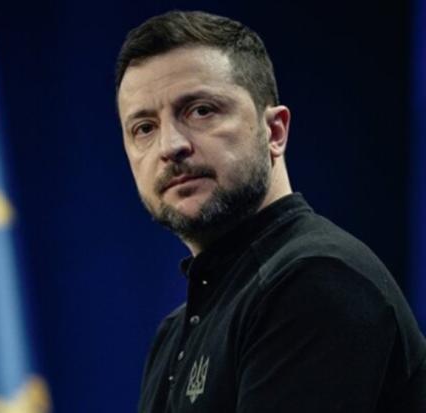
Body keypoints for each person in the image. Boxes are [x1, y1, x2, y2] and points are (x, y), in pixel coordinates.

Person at [115, 10, 426, 413]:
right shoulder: (175, 332)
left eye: (201, 110)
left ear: (275, 132)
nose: (170, 146)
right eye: (144, 128)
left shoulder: (316, 279)